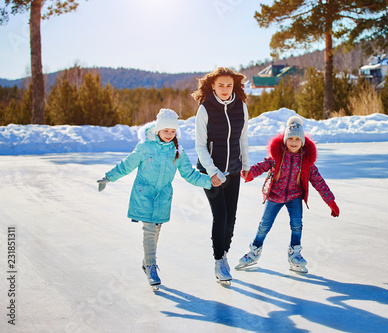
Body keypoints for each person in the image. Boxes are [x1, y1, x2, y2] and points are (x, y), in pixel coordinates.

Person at [96, 108, 212, 289]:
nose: (169, 134)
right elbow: (127, 165)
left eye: (173, 131)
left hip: (163, 196)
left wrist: (210, 182)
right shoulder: (145, 147)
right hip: (144, 194)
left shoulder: (177, 152)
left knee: (156, 229)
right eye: (166, 130)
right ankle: (151, 266)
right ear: (158, 129)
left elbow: (189, 174)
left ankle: (147, 260)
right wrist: (109, 177)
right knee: (149, 229)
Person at [236, 116, 340, 273]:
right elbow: (262, 166)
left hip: (294, 197)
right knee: (264, 225)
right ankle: (254, 251)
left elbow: (319, 182)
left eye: (297, 139)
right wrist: (249, 174)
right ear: (285, 139)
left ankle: (295, 254)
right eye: (290, 138)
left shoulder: (306, 161)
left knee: (297, 225)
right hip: (274, 196)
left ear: (302, 141)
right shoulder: (277, 156)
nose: (294, 142)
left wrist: (330, 201)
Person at [192, 67, 250, 284]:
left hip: (233, 170)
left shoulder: (241, 106)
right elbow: (199, 146)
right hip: (210, 173)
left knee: (231, 217)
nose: (225, 89)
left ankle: (224, 252)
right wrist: (213, 172)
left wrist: (246, 164)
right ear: (212, 86)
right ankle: (219, 260)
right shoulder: (205, 108)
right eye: (220, 85)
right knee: (221, 216)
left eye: (229, 85)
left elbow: (242, 139)